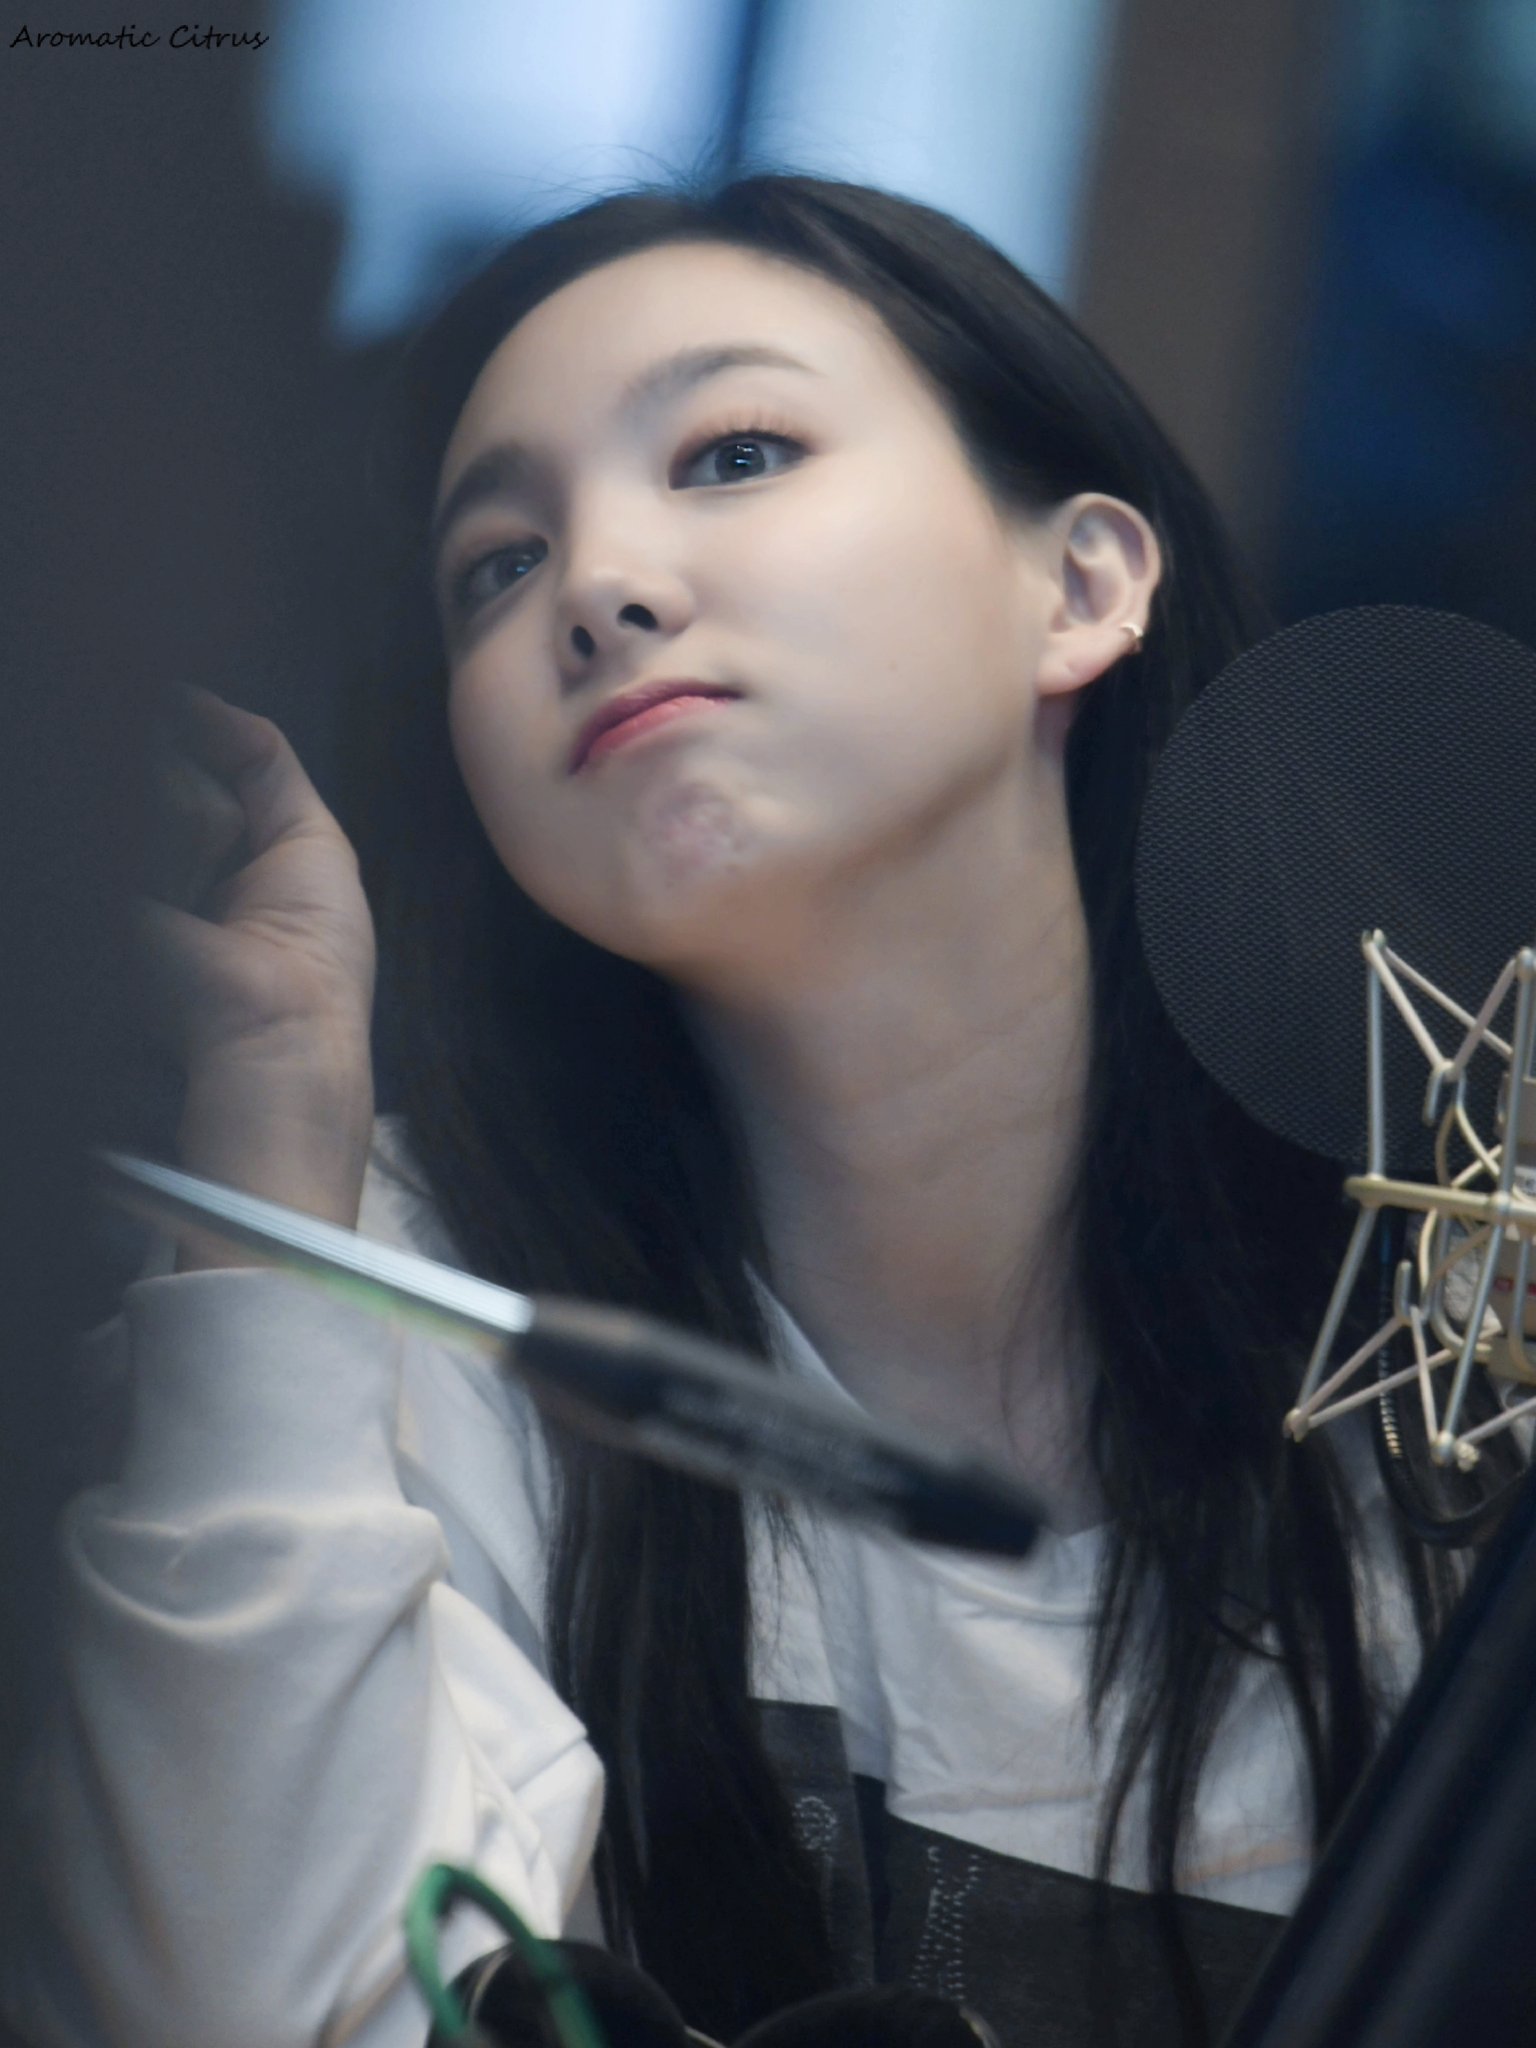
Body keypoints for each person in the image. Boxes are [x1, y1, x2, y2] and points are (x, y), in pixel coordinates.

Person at [18, 176, 1428, 2048]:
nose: (598, 587)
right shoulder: (387, 1328)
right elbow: (252, 2012)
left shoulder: (1429, 1342)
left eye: (735, 452)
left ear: (1081, 586)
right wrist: (272, 1139)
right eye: (496, 565)